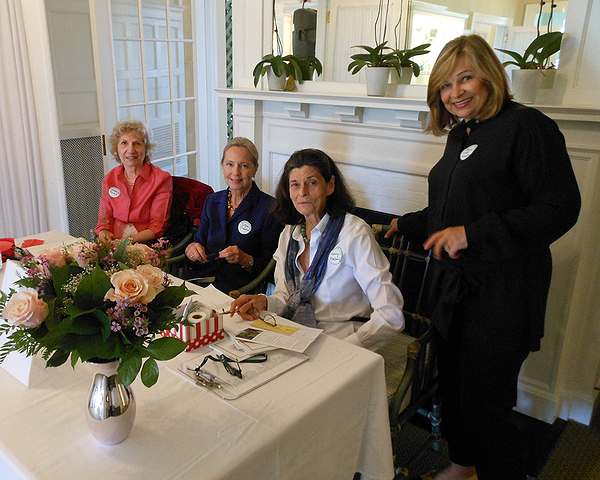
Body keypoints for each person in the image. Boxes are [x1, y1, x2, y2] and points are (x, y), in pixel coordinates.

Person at [385, 35, 581, 480]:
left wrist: (471, 235)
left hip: (503, 296)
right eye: (446, 85)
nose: (455, 93)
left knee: (486, 405)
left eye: (466, 78)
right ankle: (463, 465)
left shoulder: (528, 127)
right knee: (452, 389)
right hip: (456, 292)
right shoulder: (461, 135)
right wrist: (409, 223)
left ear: (490, 76)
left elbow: (560, 208)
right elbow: (451, 208)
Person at [230, 149, 405, 351]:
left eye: (311, 183)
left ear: (330, 185)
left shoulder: (354, 233)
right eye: (295, 185)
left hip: (342, 342)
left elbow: (390, 313)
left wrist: (351, 346)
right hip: (295, 336)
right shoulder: (289, 234)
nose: (302, 192)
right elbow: (286, 298)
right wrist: (264, 302)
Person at [184, 137, 283, 293]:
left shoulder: (270, 208)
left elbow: (273, 267)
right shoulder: (213, 201)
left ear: (255, 169)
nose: (235, 172)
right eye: (230, 164)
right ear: (223, 166)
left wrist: (245, 259)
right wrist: (192, 249)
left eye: (243, 166)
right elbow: (199, 242)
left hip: (239, 288)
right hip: (202, 279)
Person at [95, 120, 172, 244]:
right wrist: (104, 233)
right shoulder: (110, 179)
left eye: (137, 144)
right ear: (116, 149)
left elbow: (157, 227)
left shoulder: (161, 179)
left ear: (146, 149)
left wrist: (125, 242)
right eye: (124, 143)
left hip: (146, 243)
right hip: (115, 240)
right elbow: (104, 222)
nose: (130, 150)